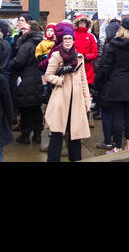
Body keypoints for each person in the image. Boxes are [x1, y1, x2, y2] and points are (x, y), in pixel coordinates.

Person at [42, 24, 91, 162]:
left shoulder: (79, 57)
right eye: (65, 38)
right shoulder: (56, 56)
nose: (68, 41)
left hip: (76, 101)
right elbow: (48, 76)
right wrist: (60, 80)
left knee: (75, 135)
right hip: (60, 99)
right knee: (57, 134)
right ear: (62, 40)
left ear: (73, 40)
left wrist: (87, 101)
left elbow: (84, 81)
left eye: (70, 38)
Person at [95, 18, 129, 152]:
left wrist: (100, 81)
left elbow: (106, 66)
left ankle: (116, 146)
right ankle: (128, 145)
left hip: (116, 84)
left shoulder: (112, 45)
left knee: (118, 118)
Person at [11, 21, 45, 145]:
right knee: (36, 108)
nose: (22, 31)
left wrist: (13, 61)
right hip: (37, 79)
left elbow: (19, 62)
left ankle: (25, 135)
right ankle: (37, 135)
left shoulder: (26, 45)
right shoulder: (41, 43)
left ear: (31, 31)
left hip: (25, 79)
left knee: (25, 109)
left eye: (25, 29)